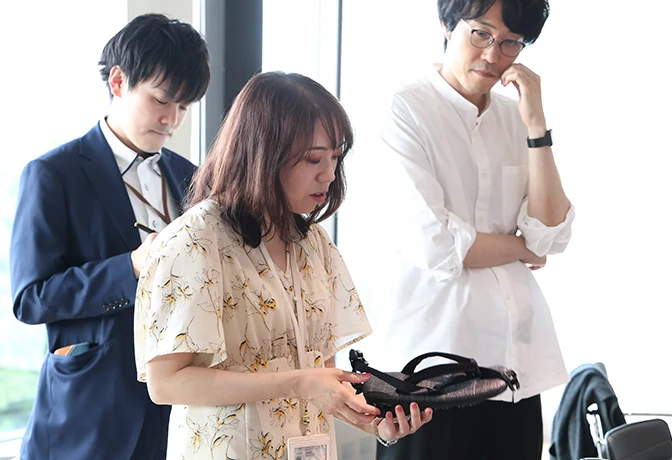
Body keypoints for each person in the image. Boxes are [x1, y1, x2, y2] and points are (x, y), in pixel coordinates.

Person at [133, 71, 433, 460]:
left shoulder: (315, 244)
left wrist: (376, 423)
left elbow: (321, 375)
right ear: (263, 152)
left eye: (335, 158)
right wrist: (299, 383)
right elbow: (166, 383)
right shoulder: (194, 240)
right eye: (313, 159)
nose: (329, 175)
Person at [363, 0, 575, 459]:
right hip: (429, 375)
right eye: (480, 34)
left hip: (514, 369)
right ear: (446, 23)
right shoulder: (405, 108)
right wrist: (519, 247)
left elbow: (551, 235)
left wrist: (537, 126)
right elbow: (437, 245)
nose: (493, 55)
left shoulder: (514, 117)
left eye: (510, 43)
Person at [10, 13, 210, 460]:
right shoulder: (52, 175)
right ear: (118, 82)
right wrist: (131, 268)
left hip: (180, 412)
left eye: (184, 107)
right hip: (90, 412)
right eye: (162, 100)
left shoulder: (191, 177)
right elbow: (30, 298)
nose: (172, 119)